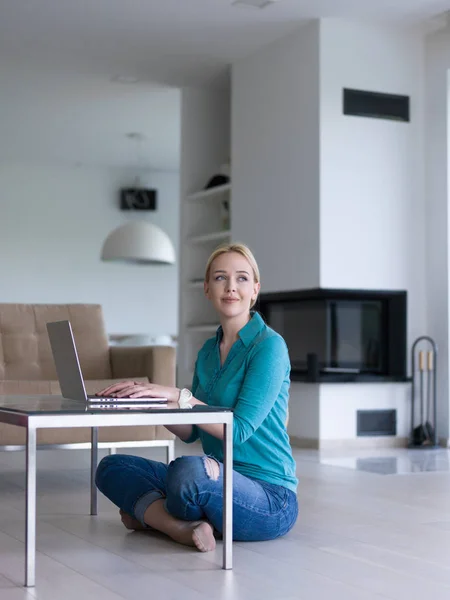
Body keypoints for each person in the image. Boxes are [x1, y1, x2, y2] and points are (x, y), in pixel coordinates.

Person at [95, 242, 298, 552]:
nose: (231, 287)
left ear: (255, 290)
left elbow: (239, 430)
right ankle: (179, 527)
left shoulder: (269, 346)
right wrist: (149, 401)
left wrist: (180, 395)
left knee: (187, 473)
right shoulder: (207, 351)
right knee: (110, 468)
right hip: (215, 473)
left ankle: (153, 514)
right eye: (220, 278)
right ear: (206, 288)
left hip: (269, 496)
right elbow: (191, 431)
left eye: (242, 278)